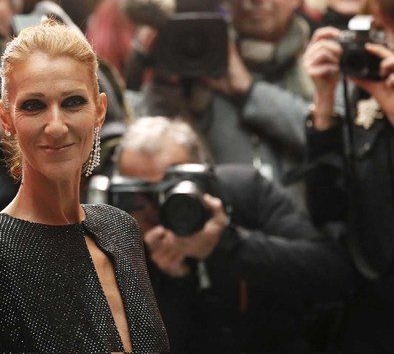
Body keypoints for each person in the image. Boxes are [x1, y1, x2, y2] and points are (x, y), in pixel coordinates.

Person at [0, 20, 169, 353]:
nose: (56, 126)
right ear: (6, 118)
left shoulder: (121, 231)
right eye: (34, 106)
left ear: (99, 110)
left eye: (73, 102)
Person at [105, 115, 353, 354]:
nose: (159, 209)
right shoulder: (118, 238)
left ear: (204, 174)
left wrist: (227, 244)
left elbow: (331, 271)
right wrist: (173, 281)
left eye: (173, 190)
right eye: (140, 196)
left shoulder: (241, 191)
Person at [128, 0, 315, 211]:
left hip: (301, 241)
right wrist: (164, 75)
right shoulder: (194, 61)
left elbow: (329, 138)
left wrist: (248, 90)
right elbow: (148, 149)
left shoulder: (319, 61)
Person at [302, 0, 394, 353]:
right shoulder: (361, 97)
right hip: (368, 306)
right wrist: (324, 105)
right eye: (374, 32)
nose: (382, 44)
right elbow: (326, 210)